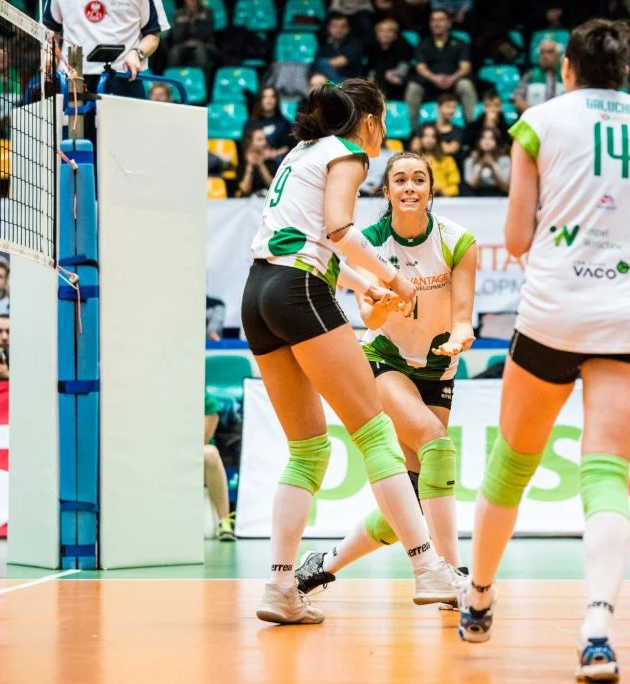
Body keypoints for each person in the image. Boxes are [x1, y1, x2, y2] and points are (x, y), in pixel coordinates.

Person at [457, 20, 630, 682]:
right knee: (605, 476)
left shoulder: (538, 123)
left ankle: (478, 598)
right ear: (629, 71)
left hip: (553, 315)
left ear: (568, 69)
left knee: (511, 465)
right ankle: (596, 632)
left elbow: (516, 238)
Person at [242, 78, 464, 625]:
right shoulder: (347, 153)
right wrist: (392, 277)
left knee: (307, 450)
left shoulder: (301, 151)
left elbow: (308, 239)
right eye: (383, 120)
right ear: (368, 120)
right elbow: (340, 229)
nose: (383, 132)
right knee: (375, 434)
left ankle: (281, 587)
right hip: (299, 289)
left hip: (259, 291)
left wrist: (362, 285)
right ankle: (429, 569)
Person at [296, 152, 478, 596]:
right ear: (387, 190)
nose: (410, 187)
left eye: (418, 179)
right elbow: (370, 318)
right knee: (436, 443)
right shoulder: (371, 244)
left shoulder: (458, 241)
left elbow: (462, 319)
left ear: (431, 189)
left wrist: (460, 337)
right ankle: (452, 573)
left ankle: (323, 565)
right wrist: (384, 303)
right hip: (385, 360)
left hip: (438, 367)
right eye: (400, 180)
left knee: (412, 500)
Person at [43, 0, 170, 98]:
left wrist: (137, 53)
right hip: (73, 78)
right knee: (73, 126)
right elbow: (50, 30)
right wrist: (50, 53)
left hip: (124, 77)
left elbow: (153, 35)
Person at [404, 9, 478, 128]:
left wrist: (452, 78)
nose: (436, 23)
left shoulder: (460, 43)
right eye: (433, 20)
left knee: (466, 85)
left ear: (449, 23)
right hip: (430, 84)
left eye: (440, 20)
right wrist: (435, 78)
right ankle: (414, 131)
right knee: (413, 88)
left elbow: (465, 67)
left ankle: (472, 129)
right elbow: (420, 67)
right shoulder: (423, 44)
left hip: (453, 84)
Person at [204, 393, 235, 541]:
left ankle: (224, 521)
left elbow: (203, 440)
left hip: (196, 460)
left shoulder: (208, 402)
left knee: (210, 453)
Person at [367, 18, 415, 99]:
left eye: (389, 31)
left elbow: (405, 67)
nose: (385, 34)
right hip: (379, 83)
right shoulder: (373, 47)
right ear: (377, 34)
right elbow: (371, 68)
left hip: (399, 83)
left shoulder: (404, 46)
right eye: (381, 31)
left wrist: (394, 74)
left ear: (395, 34)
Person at [511, 40, 564, 113]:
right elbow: (517, 98)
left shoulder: (566, 75)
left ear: (558, 55)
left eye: (550, 52)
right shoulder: (531, 74)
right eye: (542, 52)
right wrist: (534, 113)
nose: (545, 56)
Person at [166, 0, 216, 73]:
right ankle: (174, 77)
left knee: (200, 52)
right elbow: (176, 37)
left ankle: (204, 78)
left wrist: (196, 20)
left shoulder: (206, 12)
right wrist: (186, 22)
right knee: (174, 52)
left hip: (203, 43)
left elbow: (207, 34)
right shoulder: (179, 13)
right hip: (184, 43)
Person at [247, 87, 294, 164]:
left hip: (278, 162)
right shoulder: (251, 123)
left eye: (272, 97)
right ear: (260, 100)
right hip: (254, 161)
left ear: (276, 100)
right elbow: (246, 146)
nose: (269, 100)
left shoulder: (284, 123)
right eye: (265, 97)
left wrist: (274, 153)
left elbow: (289, 146)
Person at [314, 14, 365, 82]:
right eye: (335, 26)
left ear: (348, 29)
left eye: (343, 26)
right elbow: (315, 67)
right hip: (328, 83)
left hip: (351, 82)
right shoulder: (323, 47)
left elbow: (341, 62)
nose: (339, 29)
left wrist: (327, 63)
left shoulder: (355, 45)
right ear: (328, 28)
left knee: (322, 63)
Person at [416, 123, 461, 196]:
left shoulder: (447, 160)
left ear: (437, 140)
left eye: (433, 136)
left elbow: (454, 186)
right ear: (421, 139)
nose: (429, 140)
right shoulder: (413, 161)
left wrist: (443, 192)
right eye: (426, 136)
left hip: (443, 199)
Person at [464, 128, 510, 196]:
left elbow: (505, 187)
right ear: (478, 141)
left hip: (499, 195)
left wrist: (492, 166)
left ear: (497, 142)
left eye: (491, 138)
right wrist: (481, 166)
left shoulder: (505, 160)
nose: (487, 142)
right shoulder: (470, 161)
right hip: (476, 196)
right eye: (483, 138)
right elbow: (471, 186)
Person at [235, 128, 278, 198]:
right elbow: (245, 189)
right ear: (250, 142)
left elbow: (273, 187)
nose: (264, 142)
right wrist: (250, 165)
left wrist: (261, 165)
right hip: (248, 201)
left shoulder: (271, 162)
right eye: (260, 139)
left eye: (265, 139)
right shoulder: (242, 164)